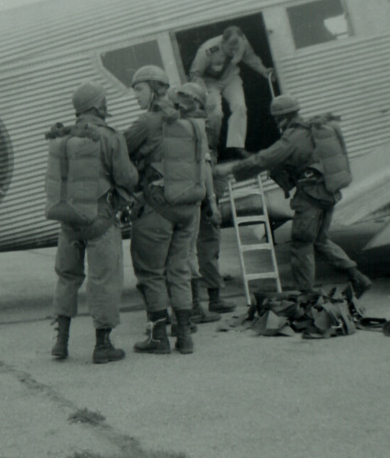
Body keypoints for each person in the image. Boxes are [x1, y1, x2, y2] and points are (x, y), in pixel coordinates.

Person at [224, 94, 373, 297]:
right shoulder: (311, 129)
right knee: (320, 241)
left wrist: (231, 171)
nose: (276, 122)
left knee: (301, 244)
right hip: (327, 193)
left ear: (283, 117)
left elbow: (265, 159)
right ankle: (357, 276)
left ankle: (306, 293)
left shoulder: (293, 137)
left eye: (277, 118)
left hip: (310, 197)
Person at [46, 82, 139, 363]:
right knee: (104, 280)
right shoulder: (108, 135)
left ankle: (61, 342)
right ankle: (103, 345)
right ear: (98, 106)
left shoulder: (61, 137)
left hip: (68, 220)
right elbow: (127, 178)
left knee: (67, 278)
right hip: (99, 218)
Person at [123, 65, 208, 355]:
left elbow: (119, 151)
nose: (135, 95)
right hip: (190, 207)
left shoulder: (147, 121)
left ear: (153, 89)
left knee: (150, 273)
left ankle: (159, 337)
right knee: (180, 270)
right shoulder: (190, 121)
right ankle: (184, 336)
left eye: (138, 88)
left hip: (157, 206)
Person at [171, 83, 235, 324]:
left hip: (187, 191)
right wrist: (212, 201)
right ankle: (212, 298)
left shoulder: (181, 124)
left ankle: (194, 302)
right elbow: (206, 164)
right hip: (203, 190)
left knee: (188, 249)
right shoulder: (201, 124)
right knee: (207, 244)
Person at [189, 25, 275, 160]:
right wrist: (205, 95)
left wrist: (264, 71)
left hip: (230, 77)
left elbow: (251, 58)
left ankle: (238, 147)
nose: (234, 50)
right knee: (215, 112)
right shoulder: (207, 50)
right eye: (231, 47)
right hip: (209, 82)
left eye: (237, 47)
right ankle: (212, 147)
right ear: (223, 42)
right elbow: (195, 74)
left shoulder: (242, 42)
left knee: (240, 106)